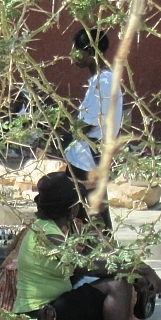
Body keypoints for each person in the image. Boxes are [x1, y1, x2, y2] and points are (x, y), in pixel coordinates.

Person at [13, 172, 161, 320]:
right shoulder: (46, 233)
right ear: (73, 206)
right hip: (39, 313)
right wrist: (140, 269)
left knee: (117, 278)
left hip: (56, 304)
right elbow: (88, 265)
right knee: (118, 284)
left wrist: (135, 270)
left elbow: (102, 257)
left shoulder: (60, 229)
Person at [65, 28, 120, 230]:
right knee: (85, 212)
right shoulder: (100, 81)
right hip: (88, 153)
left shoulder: (103, 83)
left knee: (91, 211)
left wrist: (65, 132)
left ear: (89, 51)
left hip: (90, 155)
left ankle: (101, 253)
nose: (73, 56)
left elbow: (85, 125)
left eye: (77, 50)